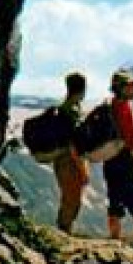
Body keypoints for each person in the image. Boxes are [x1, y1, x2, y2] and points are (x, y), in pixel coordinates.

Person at [103, 69, 133, 253]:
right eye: (131, 86)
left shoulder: (110, 106)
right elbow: (132, 139)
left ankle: (114, 240)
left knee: (114, 200)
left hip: (110, 160)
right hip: (125, 159)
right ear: (121, 88)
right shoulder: (124, 108)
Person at [52, 72, 89, 233]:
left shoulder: (64, 108)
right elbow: (74, 144)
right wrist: (83, 169)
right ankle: (63, 233)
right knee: (72, 200)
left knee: (68, 198)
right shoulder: (72, 111)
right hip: (70, 161)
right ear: (82, 89)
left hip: (61, 159)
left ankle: (63, 231)